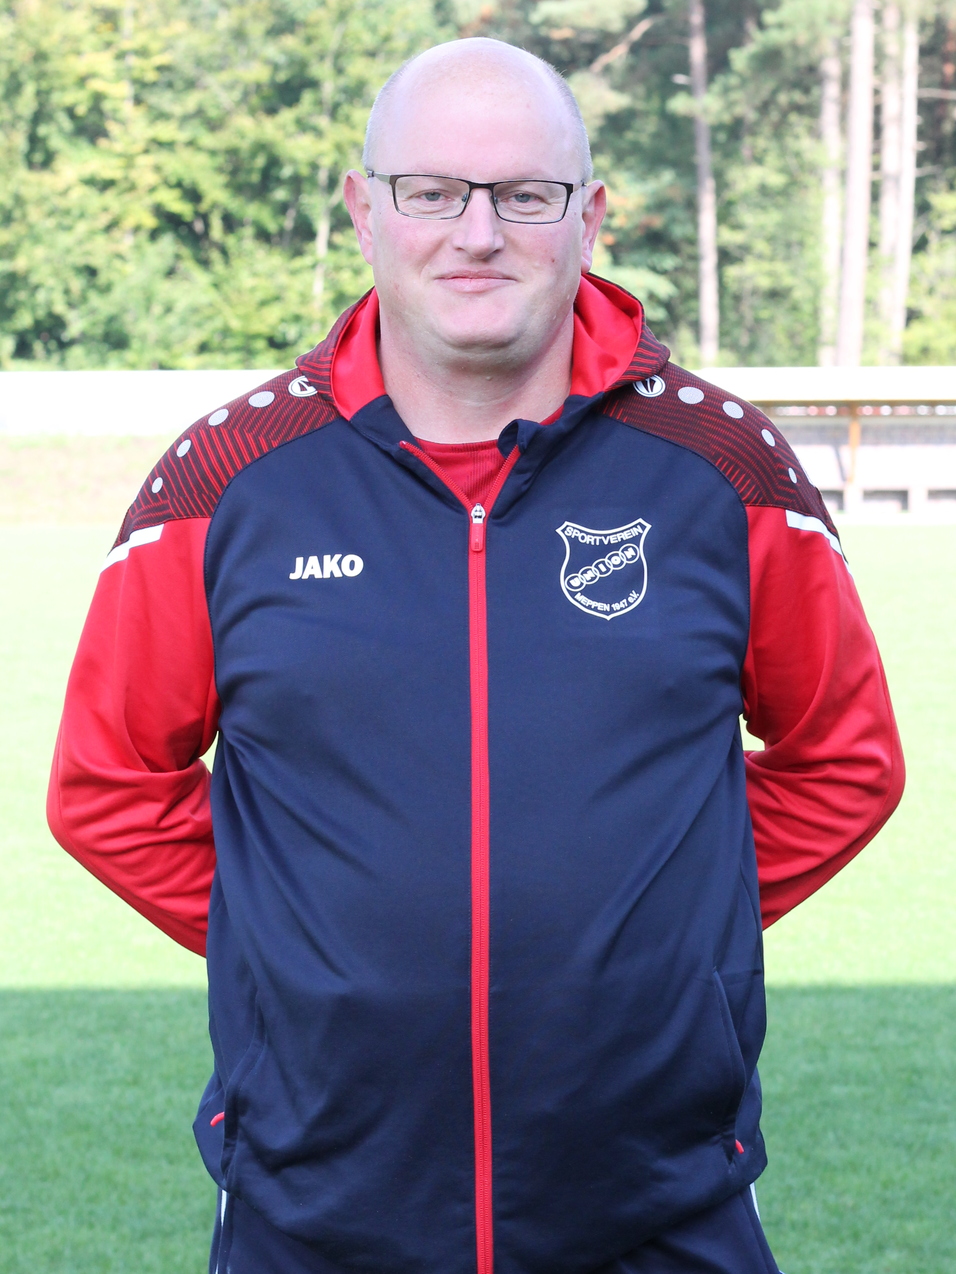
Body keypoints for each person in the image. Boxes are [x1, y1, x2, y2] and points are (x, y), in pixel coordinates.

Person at [48, 37, 903, 1274]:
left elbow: (843, 759)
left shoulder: (727, 474)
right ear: (364, 209)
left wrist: (659, 935)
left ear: (589, 216)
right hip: (316, 1207)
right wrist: (304, 946)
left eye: (525, 195)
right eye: (433, 191)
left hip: (657, 1208)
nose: (477, 232)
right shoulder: (223, 487)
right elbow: (109, 789)